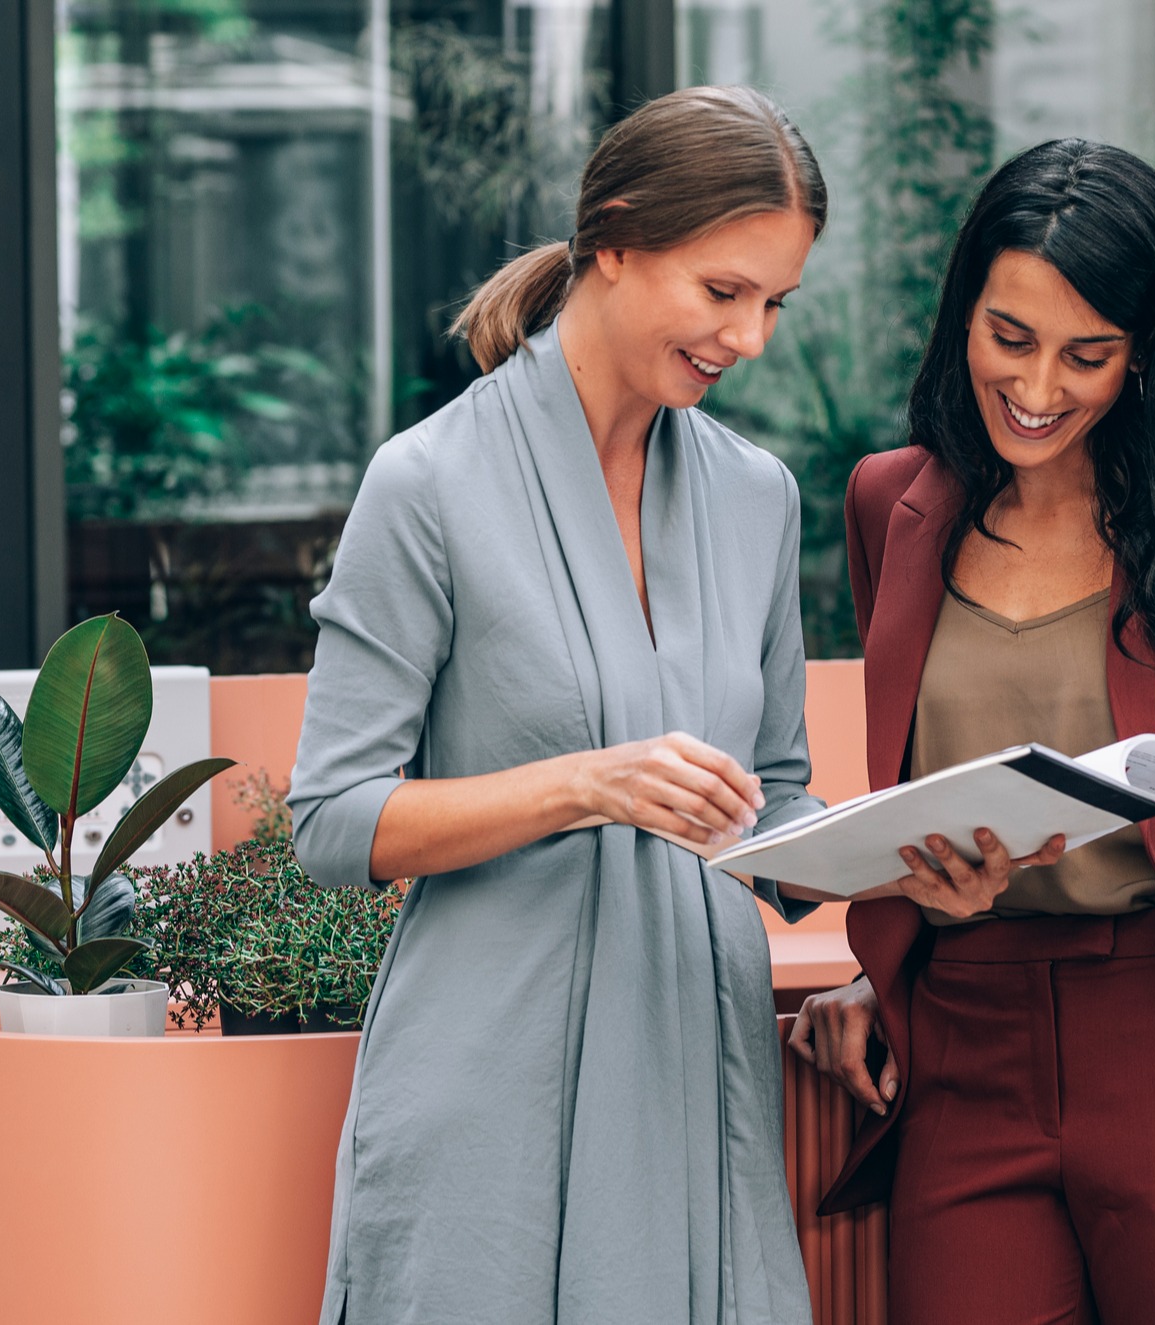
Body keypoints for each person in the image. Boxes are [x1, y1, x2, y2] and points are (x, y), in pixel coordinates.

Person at [786, 139, 1155, 1323]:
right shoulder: (888, 506)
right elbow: (914, 793)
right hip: (966, 1041)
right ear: (963, 315)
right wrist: (894, 933)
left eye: (1086, 353)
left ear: (1145, 353)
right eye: (1008, 337)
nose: (1038, 386)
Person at [285, 85, 831, 1325]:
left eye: (773, 303)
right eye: (722, 291)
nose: (749, 338)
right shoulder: (425, 484)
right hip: (487, 1085)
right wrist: (582, 784)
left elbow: (776, 801)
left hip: (694, 1071)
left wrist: (900, 860)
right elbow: (330, 821)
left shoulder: (758, 499)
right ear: (617, 242)